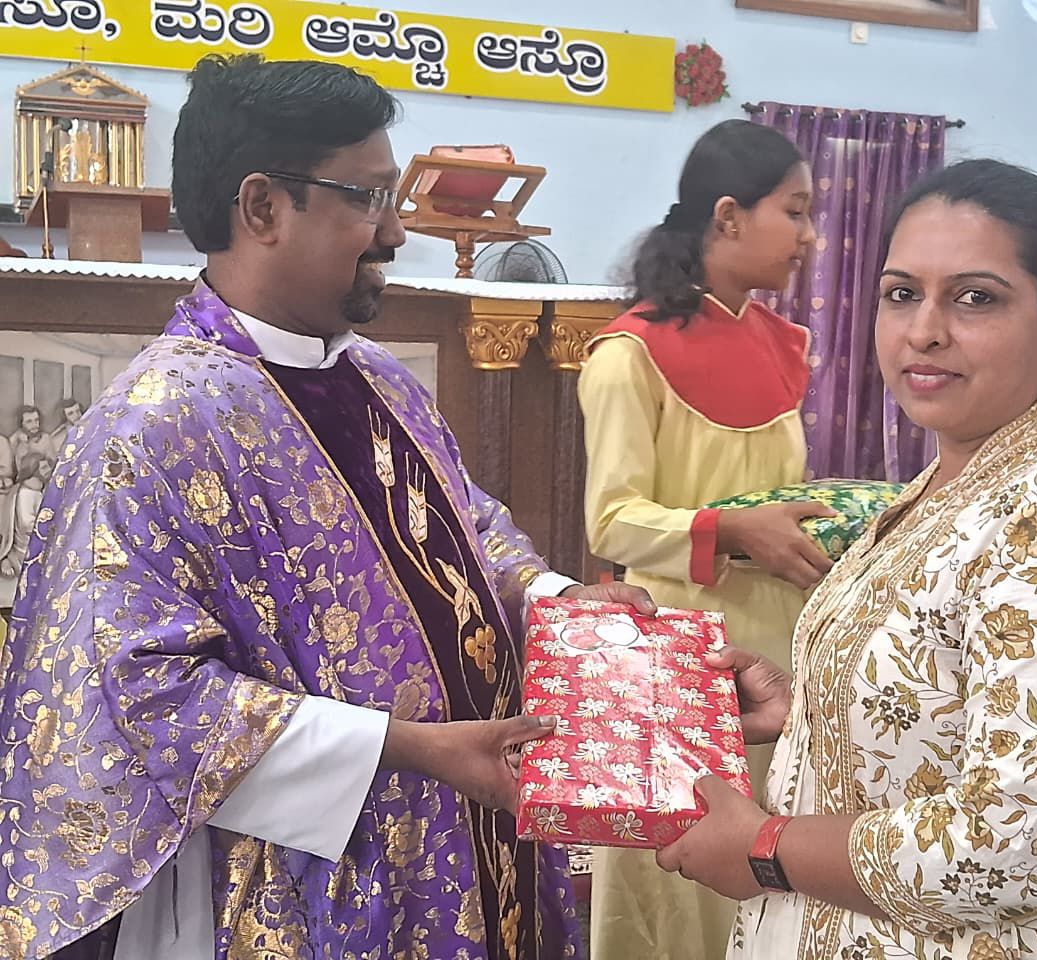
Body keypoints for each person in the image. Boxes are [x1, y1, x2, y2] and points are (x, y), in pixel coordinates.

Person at [0, 54, 653, 960]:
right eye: (369, 198)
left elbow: (467, 529)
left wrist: (560, 602)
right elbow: (138, 695)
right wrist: (407, 748)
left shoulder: (376, 377)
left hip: (475, 832)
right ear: (263, 207)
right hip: (309, 881)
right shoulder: (154, 426)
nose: (395, 232)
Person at [656, 158, 1037, 959]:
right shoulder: (969, 468)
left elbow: (1017, 845)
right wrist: (817, 709)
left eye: (976, 298)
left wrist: (765, 849)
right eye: (901, 293)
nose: (924, 330)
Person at [578, 118, 828, 960]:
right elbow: (612, 519)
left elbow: (777, 492)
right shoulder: (630, 353)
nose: (809, 235)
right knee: (674, 883)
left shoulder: (785, 344)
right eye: (794, 211)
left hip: (779, 650)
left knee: (774, 853)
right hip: (677, 652)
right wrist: (730, 529)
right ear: (728, 216)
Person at [0, 453, 51, 578]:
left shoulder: (38, 491)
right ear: (34, 470)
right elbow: (26, 524)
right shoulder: (25, 493)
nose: (49, 470)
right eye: (44, 468)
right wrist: (49, 524)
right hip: (27, 549)